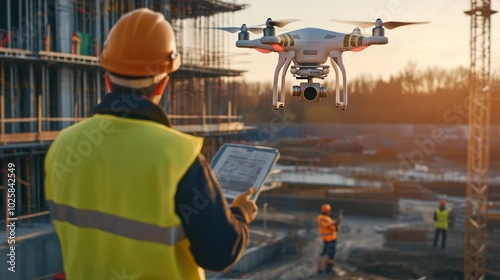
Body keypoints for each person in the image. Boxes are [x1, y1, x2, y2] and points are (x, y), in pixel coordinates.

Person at [44, 8, 258, 280]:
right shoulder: (178, 157)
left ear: (107, 79)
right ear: (162, 84)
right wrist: (240, 214)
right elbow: (219, 253)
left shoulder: (63, 146)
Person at [316, 203, 342, 274]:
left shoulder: (320, 217)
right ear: (328, 211)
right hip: (331, 239)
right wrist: (338, 222)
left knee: (324, 252)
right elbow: (334, 228)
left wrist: (334, 222)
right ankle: (329, 269)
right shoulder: (326, 219)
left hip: (325, 239)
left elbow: (330, 225)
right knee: (331, 254)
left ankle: (320, 268)